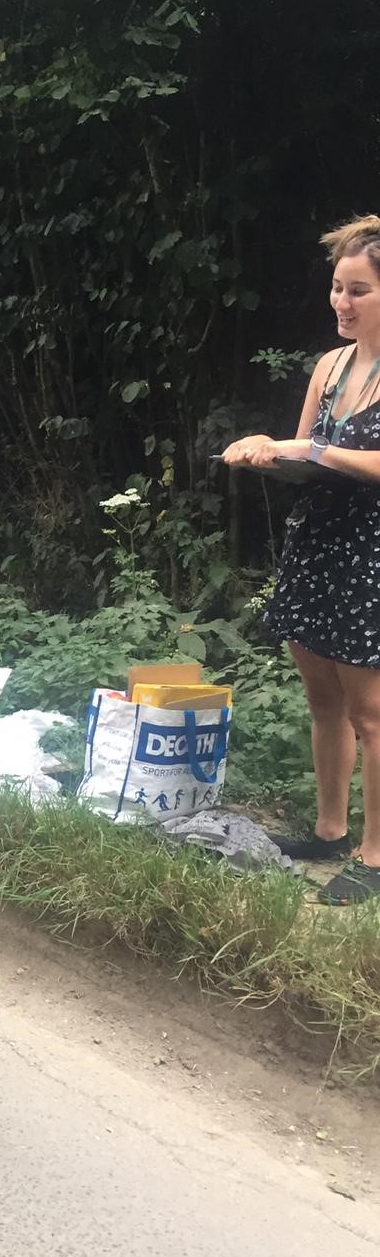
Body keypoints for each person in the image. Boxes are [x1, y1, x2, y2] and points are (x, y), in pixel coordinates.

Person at [223, 214, 380, 903]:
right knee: (323, 700)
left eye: (359, 290)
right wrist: (269, 453)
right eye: (337, 288)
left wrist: (310, 450)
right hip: (315, 543)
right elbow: (304, 450)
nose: (341, 303)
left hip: (370, 553)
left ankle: (376, 856)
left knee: (371, 714)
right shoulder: (329, 366)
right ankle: (329, 831)